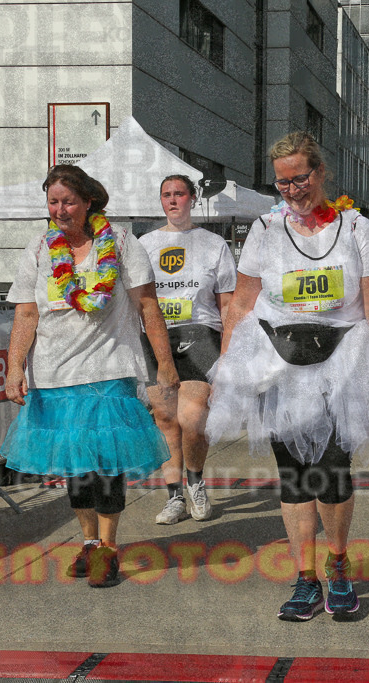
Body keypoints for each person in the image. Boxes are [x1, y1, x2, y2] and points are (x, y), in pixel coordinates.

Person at [206, 132, 369, 622]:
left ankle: (337, 565)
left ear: (321, 172)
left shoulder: (355, 227)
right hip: (278, 363)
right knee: (292, 477)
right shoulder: (266, 229)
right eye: (283, 181)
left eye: (301, 178)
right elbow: (241, 306)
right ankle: (304, 579)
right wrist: (228, 371)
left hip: (344, 361)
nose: (293, 190)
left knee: (332, 472)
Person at [1, 164, 177, 589]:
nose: (60, 210)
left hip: (108, 369)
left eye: (69, 201)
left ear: (89, 201)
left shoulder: (120, 243)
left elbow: (148, 306)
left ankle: (109, 549)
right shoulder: (40, 250)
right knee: (75, 469)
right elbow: (26, 312)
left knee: (105, 465)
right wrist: (14, 367)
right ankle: (88, 542)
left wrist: (165, 363)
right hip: (54, 374)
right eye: (53, 202)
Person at [139, 174, 236, 525]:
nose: (173, 200)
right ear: (160, 201)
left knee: (192, 418)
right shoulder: (145, 244)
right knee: (165, 419)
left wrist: (228, 352)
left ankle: (195, 482)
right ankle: (174, 496)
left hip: (201, 332)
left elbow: (228, 305)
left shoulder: (213, 244)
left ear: (192, 198)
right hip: (156, 336)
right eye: (166, 194)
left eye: (180, 193)